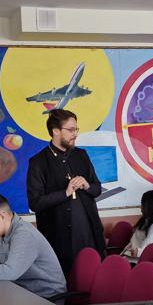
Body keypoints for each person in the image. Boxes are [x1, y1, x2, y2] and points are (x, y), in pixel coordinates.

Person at [26, 108, 107, 275]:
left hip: (90, 231)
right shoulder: (38, 162)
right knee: (69, 279)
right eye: (70, 130)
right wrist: (65, 193)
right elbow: (35, 203)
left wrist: (87, 185)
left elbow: (97, 189)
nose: (75, 134)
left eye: (76, 129)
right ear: (56, 131)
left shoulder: (81, 155)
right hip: (59, 236)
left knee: (95, 276)